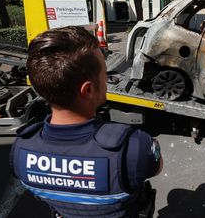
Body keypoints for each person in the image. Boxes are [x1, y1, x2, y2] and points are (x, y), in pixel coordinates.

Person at [9, 26, 162, 218]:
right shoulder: (132, 147)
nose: (107, 80)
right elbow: (156, 168)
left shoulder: (21, 149)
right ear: (88, 90)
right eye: (104, 74)